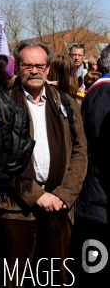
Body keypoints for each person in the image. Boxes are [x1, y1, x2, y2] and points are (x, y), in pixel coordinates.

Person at [0, 40, 87, 287]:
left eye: (40, 65)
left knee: (55, 279)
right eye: (28, 65)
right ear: (17, 67)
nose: (35, 71)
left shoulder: (67, 103)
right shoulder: (2, 104)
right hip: (17, 210)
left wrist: (64, 195)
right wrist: (37, 195)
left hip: (59, 208)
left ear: (48, 69)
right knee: (15, 279)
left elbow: (80, 151)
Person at [71, 45, 110, 283]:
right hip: (98, 201)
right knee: (96, 269)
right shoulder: (104, 93)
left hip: (101, 198)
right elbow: (102, 145)